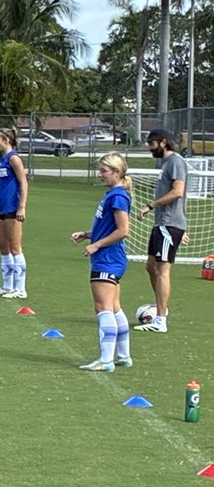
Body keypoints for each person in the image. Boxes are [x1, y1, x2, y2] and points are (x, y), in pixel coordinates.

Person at [71, 153, 133, 371]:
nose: (100, 174)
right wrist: (88, 235)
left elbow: (123, 230)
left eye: (104, 171)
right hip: (111, 257)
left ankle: (106, 360)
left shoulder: (118, 197)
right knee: (114, 307)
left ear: (117, 172)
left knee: (103, 307)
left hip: (108, 258)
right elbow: (108, 227)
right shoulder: (113, 195)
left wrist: (96, 245)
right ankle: (123, 355)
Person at [135, 128, 188, 333]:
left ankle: (160, 320)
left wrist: (151, 205)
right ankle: (161, 308)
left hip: (169, 224)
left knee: (162, 270)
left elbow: (178, 192)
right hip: (163, 224)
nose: (149, 148)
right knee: (150, 266)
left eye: (151, 144)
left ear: (163, 142)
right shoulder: (165, 163)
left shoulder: (175, 161)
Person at [0, 128, 29, 298]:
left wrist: (22, 207)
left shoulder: (14, 159)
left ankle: (20, 289)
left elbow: (23, 183)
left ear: (6, 140)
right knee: (3, 248)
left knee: (15, 248)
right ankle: (7, 286)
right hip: (1, 208)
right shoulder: (2, 159)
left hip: (12, 208)